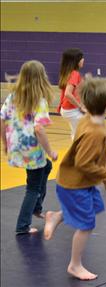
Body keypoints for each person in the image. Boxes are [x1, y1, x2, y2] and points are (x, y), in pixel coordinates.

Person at [43, 77, 106, 281]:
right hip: (74, 184)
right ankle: (74, 265)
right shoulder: (94, 130)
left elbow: (90, 140)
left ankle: (56, 216)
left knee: (94, 207)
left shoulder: (89, 117)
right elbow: (84, 163)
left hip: (79, 182)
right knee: (86, 224)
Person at [1, 60, 58, 234]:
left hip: (17, 147)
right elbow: (39, 129)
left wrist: (5, 144)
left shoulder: (13, 97)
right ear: (41, 79)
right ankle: (23, 225)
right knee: (33, 187)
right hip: (32, 150)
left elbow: (2, 120)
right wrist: (50, 151)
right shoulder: (39, 101)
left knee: (46, 167)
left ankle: (36, 206)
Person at [58, 48, 106, 168]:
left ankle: (75, 158)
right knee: (93, 130)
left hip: (67, 110)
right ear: (76, 60)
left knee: (76, 134)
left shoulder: (67, 72)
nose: (83, 59)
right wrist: (80, 106)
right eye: (81, 58)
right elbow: (67, 93)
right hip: (72, 110)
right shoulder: (74, 74)